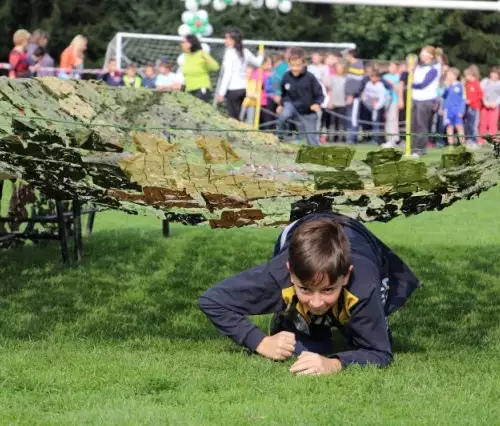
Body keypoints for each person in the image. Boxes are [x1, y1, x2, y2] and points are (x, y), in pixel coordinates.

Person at [199, 213, 420, 376]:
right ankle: (289, 317)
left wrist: (334, 364)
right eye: (305, 289)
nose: (316, 302)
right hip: (301, 227)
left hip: (358, 238)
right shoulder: (277, 275)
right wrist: (260, 342)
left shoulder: (364, 286)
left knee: (359, 336)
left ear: (345, 277)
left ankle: (324, 309)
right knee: (310, 347)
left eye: (328, 290)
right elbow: (213, 300)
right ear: (290, 273)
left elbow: (380, 352)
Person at [276, 47, 324, 146]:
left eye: (298, 65)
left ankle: (315, 155)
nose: (295, 68)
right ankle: (279, 137)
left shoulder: (310, 77)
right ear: (288, 64)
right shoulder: (286, 76)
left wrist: (316, 103)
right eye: (292, 66)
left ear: (304, 63)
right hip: (292, 105)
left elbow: (319, 93)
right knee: (284, 115)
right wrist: (281, 105)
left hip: (307, 110)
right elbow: (284, 93)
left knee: (311, 139)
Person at [216, 29, 264, 119]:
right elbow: (258, 63)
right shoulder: (245, 51)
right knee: (237, 116)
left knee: (233, 118)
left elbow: (227, 74)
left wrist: (221, 93)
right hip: (242, 89)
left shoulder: (230, 53)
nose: (225, 40)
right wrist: (261, 55)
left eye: (227, 38)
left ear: (233, 40)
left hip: (233, 90)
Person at [410, 46, 441, 157]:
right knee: (413, 125)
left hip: (426, 100)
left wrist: (411, 85)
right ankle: (412, 149)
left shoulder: (434, 68)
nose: (421, 56)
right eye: (421, 53)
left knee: (421, 125)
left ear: (430, 56)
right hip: (415, 99)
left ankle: (420, 150)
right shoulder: (419, 66)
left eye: (423, 54)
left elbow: (423, 84)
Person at [180, 35, 219, 103]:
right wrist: (182, 88)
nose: (182, 44)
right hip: (189, 90)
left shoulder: (201, 53)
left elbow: (216, 67)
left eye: (184, 42)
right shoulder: (187, 56)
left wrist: (206, 59)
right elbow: (187, 74)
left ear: (191, 43)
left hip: (201, 89)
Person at [360, 70, 387, 145]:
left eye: (374, 76)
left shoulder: (380, 86)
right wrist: (366, 101)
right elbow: (365, 94)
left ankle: (376, 139)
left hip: (376, 108)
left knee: (376, 123)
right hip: (368, 107)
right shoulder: (368, 84)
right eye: (371, 76)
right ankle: (368, 138)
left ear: (378, 78)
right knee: (368, 123)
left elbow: (382, 99)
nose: (372, 78)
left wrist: (376, 106)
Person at [442, 68, 466, 146]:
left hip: (457, 110)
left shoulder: (460, 85)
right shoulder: (447, 86)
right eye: (447, 75)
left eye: (449, 75)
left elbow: (463, 99)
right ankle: (450, 145)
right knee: (449, 127)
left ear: (455, 76)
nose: (448, 76)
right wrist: (447, 87)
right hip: (448, 110)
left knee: (459, 126)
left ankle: (462, 144)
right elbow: (444, 96)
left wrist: (461, 111)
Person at [479, 67, 500, 145]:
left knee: (493, 125)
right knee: (483, 124)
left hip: (495, 107)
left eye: (495, 73)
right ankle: (480, 141)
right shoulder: (485, 81)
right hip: (485, 106)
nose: (493, 75)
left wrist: (496, 103)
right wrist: (485, 102)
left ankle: (494, 143)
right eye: (492, 73)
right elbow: (481, 92)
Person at [382, 62, 401, 147]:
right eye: (391, 67)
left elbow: (399, 90)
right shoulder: (384, 77)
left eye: (394, 67)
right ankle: (389, 139)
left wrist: (392, 84)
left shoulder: (398, 77)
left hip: (394, 101)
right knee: (388, 120)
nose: (392, 69)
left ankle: (393, 140)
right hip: (386, 101)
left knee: (393, 121)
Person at [464, 66, 483, 146]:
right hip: (468, 107)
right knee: (468, 125)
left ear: (471, 75)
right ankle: (469, 140)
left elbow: (481, 95)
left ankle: (475, 141)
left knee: (473, 126)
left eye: (466, 75)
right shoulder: (467, 84)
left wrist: (471, 100)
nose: (465, 77)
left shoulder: (476, 83)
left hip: (475, 108)